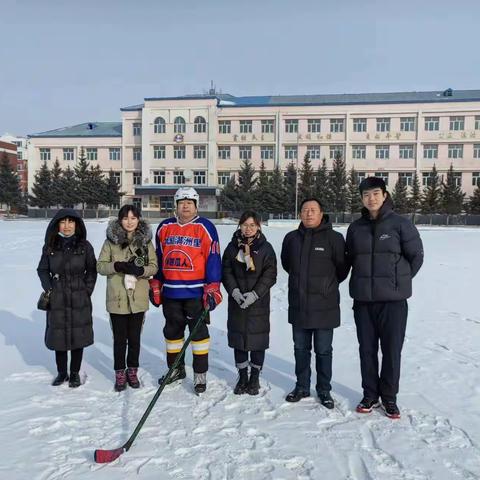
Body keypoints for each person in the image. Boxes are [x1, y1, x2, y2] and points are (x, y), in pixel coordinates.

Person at [346, 177, 423, 419]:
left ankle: (389, 397)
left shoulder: (401, 224)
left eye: (376, 193)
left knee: (391, 351)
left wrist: (397, 283)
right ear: (361, 198)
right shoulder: (355, 228)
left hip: (393, 303)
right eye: (366, 195)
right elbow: (349, 260)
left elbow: (416, 256)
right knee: (366, 350)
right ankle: (370, 394)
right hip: (363, 303)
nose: (371, 198)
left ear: (385, 195)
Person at [149, 187, 222, 394]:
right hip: (171, 293)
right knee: (172, 333)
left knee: (198, 335)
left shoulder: (205, 227)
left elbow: (213, 258)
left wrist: (213, 286)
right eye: (182, 202)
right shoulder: (164, 227)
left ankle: (200, 374)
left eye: (190, 202)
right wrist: (156, 282)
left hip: (196, 293)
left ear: (196, 205)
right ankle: (176, 369)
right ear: (176, 205)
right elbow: (159, 257)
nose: (186, 206)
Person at [281, 198, 348, 409]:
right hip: (299, 304)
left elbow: (342, 269)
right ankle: (301, 386)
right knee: (300, 349)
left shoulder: (335, 238)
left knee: (323, 350)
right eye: (305, 210)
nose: (309, 214)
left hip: (324, 306)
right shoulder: (291, 238)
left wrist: (325, 286)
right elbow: (286, 264)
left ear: (321, 214)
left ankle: (324, 389)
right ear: (300, 214)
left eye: (313, 210)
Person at [97, 205, 158, 392]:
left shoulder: (146, 243)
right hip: (117, 299)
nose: (129, 222)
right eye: (125, 218)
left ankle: (132, 370)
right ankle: (119, 373)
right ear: (120, 220)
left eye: (133, 218)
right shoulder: (110, 243)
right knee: (119, 339)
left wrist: (141, 270)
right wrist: (116, 266)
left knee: (134, 339)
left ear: (138, 219)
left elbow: (154, 267)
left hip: (138, 300)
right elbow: (100, 266)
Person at [37, 209, 97, 388]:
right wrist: (49, 288)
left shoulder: (85, 246)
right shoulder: (50, 246)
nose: (67, 226)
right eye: (63, 222)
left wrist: (86, 290)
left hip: (79, 296)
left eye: (71, 222)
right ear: (57, 225)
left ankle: (74, 373)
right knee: (59, 337)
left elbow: (92, 270)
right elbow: (42, 270)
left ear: (77, 225)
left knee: (78, 336)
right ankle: (61, 372)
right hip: (58, 296)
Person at [222, 211, 277, 395]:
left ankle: (254, 377)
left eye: (252, 225)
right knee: (239, 340)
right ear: (240, 226)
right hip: (237, 303)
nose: (248, 229)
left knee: (257, 341)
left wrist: (255, 294)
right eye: (245, 225)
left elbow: (270, 274)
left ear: (258, 226)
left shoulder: (266, 248)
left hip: (258, 304)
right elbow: (226, 272)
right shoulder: (232, 247)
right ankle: (242, 376)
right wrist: (235, 292)